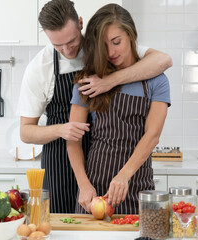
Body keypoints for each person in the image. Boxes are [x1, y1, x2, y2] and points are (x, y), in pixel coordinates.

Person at [18, 0, 172, 214]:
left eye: (71, 41)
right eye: (57, 45)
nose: (66, 50)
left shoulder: (106, 46)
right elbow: (26, 132)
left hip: (122, 170)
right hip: (65, 159)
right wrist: (63, 130)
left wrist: (110, 81)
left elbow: (164, 60)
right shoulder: (40, 68)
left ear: (80, 24)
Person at [67, 3, 171, 215]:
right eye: (103, 46)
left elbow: (152, 135)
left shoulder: (157, 81)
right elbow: (73, 140)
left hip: (137, 188)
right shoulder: (88, 82)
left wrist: (124, 175)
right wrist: (84, 185)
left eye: (116, 42)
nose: (111, 52)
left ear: (131, 35)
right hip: (94, 191)